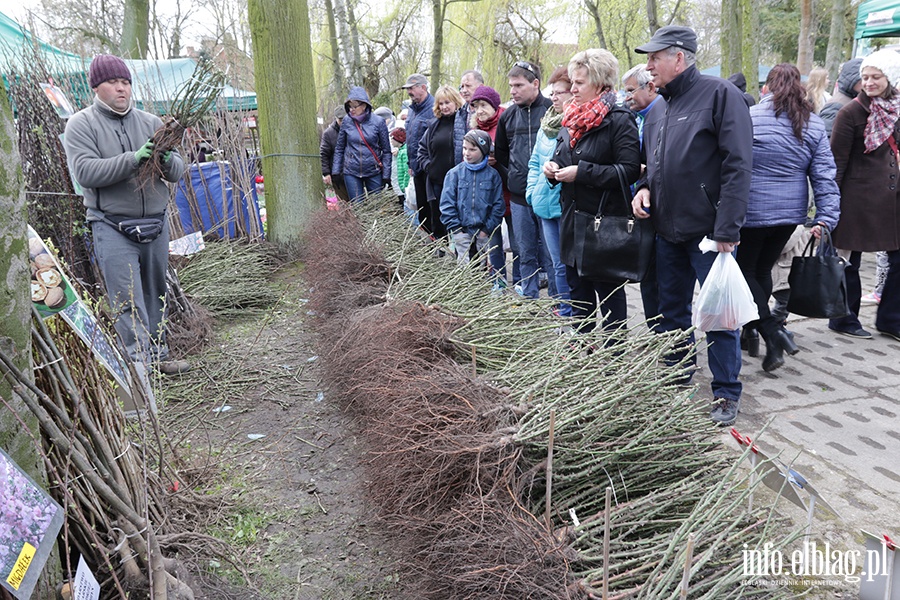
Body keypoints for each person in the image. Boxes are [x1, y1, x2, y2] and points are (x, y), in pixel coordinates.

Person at [631, 26, 753, 426]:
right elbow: (656, 165)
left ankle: (725, 393)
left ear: (679, 58)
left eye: (654, 58)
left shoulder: (720, 96)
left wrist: (727, 229)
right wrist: (644, 189)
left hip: (709, 234)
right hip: (667, 230)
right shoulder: (659, 109)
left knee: (719, 315)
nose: (648, 67)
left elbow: (738, 165)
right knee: (671, 313)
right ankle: (675, 378)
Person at [63, 54, 188, 374]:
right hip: (113, 225)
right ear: (96, 87)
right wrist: (134, 158)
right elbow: (86, 172)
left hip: (156, 224)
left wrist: (168, 157)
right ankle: (139, 365)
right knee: (126, 296)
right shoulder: (81, 124)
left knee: (155, 291)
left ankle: (159, 355)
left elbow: (176, 173)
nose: (122, 88)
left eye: (126, 82)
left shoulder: (151, 123)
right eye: (113, 82)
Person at [738, 63, 841, 372]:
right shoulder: (811, 123)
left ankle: (770, 331)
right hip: (790, 214)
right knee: (761, 270)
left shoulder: (751, 117)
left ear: (766, 88)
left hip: (752, 211)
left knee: (744, 274)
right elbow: (824, 175)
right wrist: (826, 217)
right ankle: (752, 333)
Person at [544, 49, 641, 334]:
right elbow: (563, 159)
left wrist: (582, 173)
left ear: (600, 83)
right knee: (578, 297)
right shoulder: (570, 118)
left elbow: (629, 170)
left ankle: (611, 363)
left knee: (609, 300)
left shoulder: (619, 119)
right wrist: (553, 169)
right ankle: (581, 354)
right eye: (572, 82)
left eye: (579, 83)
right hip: (573, 223)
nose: (571, 89)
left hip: (604, 227)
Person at [829, 49, 900, 342]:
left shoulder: (896, 108)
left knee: (897, 260)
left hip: (891, 199)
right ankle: (844, 317)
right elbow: (836, 163)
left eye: (876, 77)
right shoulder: (850, 113)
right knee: (849, 261)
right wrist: (830, 206)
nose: (869, 82)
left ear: (891, 78)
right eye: (865, 77)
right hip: (856, 200)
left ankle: (891, 320)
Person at [495, 60, 556, 299]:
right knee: (523, 250)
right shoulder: (508, 117)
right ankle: (529, 296)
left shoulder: (552, 111)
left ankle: (557, 301)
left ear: (535, 84)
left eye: (518, 85)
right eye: (511, 86)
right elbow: (500, 153)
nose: (513, 91)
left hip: (550, 193)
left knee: (552, 253)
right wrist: (514, 177)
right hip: (520, 196)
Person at [527, 66, 573, 316]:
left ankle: (573, 312)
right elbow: (534, 162)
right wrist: (532, 192)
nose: (554, 97)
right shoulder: (547, 126)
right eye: (552, 92)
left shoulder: (577, 123)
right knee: (557, 264)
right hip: (545, 204)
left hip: (566, 205)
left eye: (560, 92)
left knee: (568, 265)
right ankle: (565, 309)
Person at [622, 64, 662, 330]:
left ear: (650, 87)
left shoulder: (662, 116)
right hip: (640, 208)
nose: (626, 97)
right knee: (647, 274)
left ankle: (670, 332)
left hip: (663, 210)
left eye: (630, 90)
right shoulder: (635, 118)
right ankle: (657, 329)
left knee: (664, 277)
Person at [470, 85, 518, 290]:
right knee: (494, 240)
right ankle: (497, 280)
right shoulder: (474, 128)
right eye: (475, 106)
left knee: (517, 240)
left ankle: (519, 281)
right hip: (488, 192)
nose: (479, 110)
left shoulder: (507, 121)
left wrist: (498, 159)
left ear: (494, 104)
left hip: (510, 189)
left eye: (483, 105)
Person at [440, 130, 505, 267]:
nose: (467, 153)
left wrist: (486, 230)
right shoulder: (454, 174)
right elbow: (446, 204)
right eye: (464, 148)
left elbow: (498, 205)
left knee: (482, 269)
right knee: (463, 270)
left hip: (483, 233)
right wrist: (456, 229)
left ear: (483, 150)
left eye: (472, 149)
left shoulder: (493, 176)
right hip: (461, 233)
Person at [417, 85, 468, 241]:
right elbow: (422, 150)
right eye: (441, 103)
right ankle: (442, 257)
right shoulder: (434, 126)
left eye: (448, 102)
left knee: (460, 223)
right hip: (437, 182)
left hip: (460, 182)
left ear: (455, 102)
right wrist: (428, 167)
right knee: (439, 222)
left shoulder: (464, 122)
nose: (444, 107)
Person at [332, 87, 392, 202]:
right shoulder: (346, 121)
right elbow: (340, 148)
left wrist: (387, 175)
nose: (351, 110)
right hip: (351, 171)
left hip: (373, 171)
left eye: (355, 106)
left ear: (364, 105)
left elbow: (386, 150)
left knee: (375, 207)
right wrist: (335, 171)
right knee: (357, 207)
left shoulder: (378, 122)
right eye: (349, 106)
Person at [402, 74, 436, 234]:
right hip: (416, 169)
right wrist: (411, 164)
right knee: (421, 208)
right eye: (407, 88)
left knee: (433, 209)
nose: (409, 92)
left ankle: (439, 245)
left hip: (430, 169)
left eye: (411, 88)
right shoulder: (411, 110)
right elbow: (411, 139)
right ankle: (428, 244)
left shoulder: (434, 109)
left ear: (423, 87)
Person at [820, 58, 863, 137]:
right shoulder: (836, 105)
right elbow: (827, 138)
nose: (867, 83)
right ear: (851, 80)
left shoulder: (856, 100)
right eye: (863, 79)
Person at [320, 105, 350, 202]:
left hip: (354, 173)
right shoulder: (328, 134)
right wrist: (326, 173)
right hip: (338, 177)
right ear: (336, 119)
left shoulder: (354, 129)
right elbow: (324, 154)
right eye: (340, 120)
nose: (342, 123)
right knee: (344, 204)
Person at [390, 128, 409, 208]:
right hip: (402, 186)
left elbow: (406, 170)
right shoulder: (400, 151)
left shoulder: (404, 153)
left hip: (405, 187)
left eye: (392, 138)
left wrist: (404, 186)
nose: (391, 141)